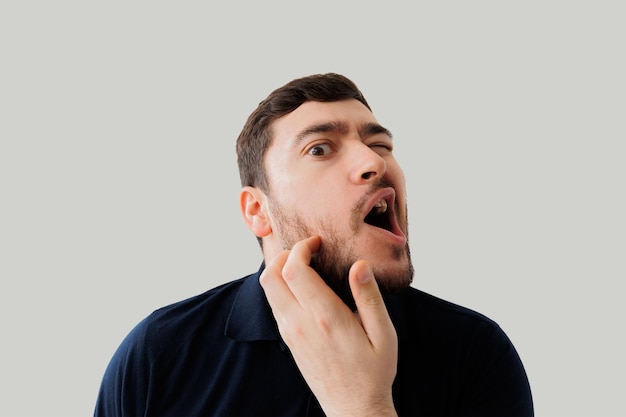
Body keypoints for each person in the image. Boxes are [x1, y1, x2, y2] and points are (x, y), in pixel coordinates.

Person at [94, 73, 534, 416]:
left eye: (379, 144)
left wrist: (364, 409)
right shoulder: (160, 353)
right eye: (321, 149)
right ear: (256, 211)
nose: (373, 161)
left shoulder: (474, 353)